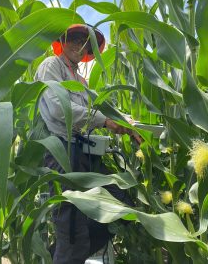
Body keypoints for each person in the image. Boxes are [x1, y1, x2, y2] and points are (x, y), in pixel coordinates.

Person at [35, 24, 139, 264]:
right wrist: (106, 122)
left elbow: (101, 110)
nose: (78, 45)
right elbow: (60, 109)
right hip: (63, 154)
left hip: (86, 153)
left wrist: (128, 124)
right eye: (74, 39)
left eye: (85, 42)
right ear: (63, 41)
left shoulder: (80, 79)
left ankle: (60, 254)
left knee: (121, 205)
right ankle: (67, 251)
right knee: (73, 231)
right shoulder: (52, 66)